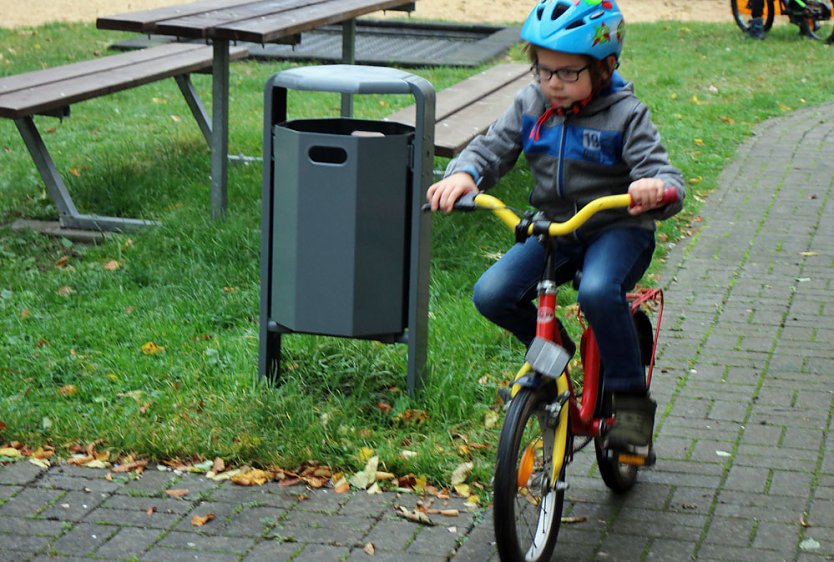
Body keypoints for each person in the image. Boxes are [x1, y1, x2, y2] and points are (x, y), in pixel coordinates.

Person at [426, 0, 685, 450]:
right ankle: (557, 356)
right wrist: (465, 174)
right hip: (556, 229)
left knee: (598, 292)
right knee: (493, 294)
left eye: (568, 73)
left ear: (603, 68)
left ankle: (628, 405)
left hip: (617, 229)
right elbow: (490, 148)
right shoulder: (531, 104)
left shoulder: (626, 114)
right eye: (545, 71)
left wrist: (655, 188)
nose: (553, 84)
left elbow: (666, 177)